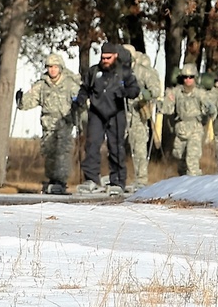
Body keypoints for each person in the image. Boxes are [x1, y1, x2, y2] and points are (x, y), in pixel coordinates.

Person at [72, 42, 140, 195]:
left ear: (115, 56)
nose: (105, 60)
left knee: (116, 146)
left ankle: (117, 180)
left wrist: (126, 92)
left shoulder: (124, 72)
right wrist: (80, 100)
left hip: (116, 112)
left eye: (108, 57)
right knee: (92, 145)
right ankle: (91, 179)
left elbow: (135, 89)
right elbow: (85, 88)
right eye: (103, 57)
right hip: (96, 112)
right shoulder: (94, 71)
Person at [15, 53, 82, 194]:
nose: (52, 70)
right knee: (49, 151)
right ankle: (52, 179)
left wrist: (79, 106)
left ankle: (61, 181)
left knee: (62, 151)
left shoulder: (70, 83)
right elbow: (30, 100)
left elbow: (81, 101)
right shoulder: (42, 85)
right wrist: (21, 100)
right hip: (48, 125)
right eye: (50, 67)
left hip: (64, 122)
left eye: (55, 67)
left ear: (60, 68)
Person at [158, 63, 214, 176]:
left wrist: (211, 110)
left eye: (191, 77)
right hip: (181, 130)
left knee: (192, 159)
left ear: (195, 78)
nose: (188, 80)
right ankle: (184, 187)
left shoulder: (200, 93)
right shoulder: (176, 92)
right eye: (185, 77)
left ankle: (195, 185)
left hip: (195, 129)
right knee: (181, 161)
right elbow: (167, 109)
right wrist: (162, 103)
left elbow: (210, 108)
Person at [123, 45, 162, 190]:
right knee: (116, 145)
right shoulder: (118, 71)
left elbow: (156, 89)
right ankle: (118, 177)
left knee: (139, 146)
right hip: (121, 112)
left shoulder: (143, 71)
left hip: (138, 112)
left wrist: (148, 94)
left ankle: (141, 179)